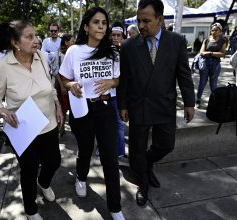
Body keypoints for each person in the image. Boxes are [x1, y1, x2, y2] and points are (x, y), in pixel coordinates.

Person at [119, 0, 195, 207]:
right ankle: (143, 183)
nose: (141, 26)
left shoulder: (177, 41)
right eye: (138, 21)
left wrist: (190, 102)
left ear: (160, 20)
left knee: (166, 145)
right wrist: (123, 105)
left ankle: (146, 163)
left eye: (146, 21)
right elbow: (124, 79)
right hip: (138, 106)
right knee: (136, 151)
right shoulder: (128, 47)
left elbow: (184, 74)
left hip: (165, 105)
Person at [0, 20, 63, 220]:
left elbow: (50, 83)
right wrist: (3, 112)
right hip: (22, 127)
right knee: (28, 169)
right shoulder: (3, 66)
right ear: (15, 42)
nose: (36, 40)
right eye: (29, 37)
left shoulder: (42, 57)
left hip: (48, 123)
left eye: (36, 35)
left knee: (54, 161)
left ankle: (44, 183)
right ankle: (31, 210)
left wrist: (57, 105)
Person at [59, 7, 125, 220]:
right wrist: (70, 86)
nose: (101, 26)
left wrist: (112, 82)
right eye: (96, 22)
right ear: (86, 27)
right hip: (82, 108)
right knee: (85, 149)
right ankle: (80, 177)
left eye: (104, 23)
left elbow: (120, 79)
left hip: (105, 109)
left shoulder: (113, 52)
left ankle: (115, 208)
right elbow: (62, 77)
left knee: (110, 158)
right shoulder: (74, 51)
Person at [110, 22, 129, 167]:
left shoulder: (127, 51)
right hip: (104, 94)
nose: (116, 38)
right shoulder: (104, 51)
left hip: (120, 94)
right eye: (113, 35)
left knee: (119, 124)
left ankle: (120, 153)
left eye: (118, 35)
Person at [196, 22, 227, 109]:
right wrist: (214, 54)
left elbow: (223, 53)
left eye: (216, 30)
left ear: (220, 31)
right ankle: (198, 100)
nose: (214, 32)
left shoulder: (222, 41)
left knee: (213, 84)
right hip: (205, 63)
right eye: (212, 30)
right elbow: (202, 52)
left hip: (215, 64)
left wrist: (210, 53)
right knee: (202, 83)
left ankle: (215, 102)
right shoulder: (206, 40)